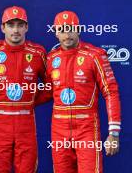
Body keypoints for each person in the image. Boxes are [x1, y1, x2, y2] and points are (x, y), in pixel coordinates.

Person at [46, 11, 121, 173]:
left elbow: (111, 92)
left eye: (71, 29)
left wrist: (113, 133)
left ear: (79, 29)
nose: (67, 34)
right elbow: (46, 92)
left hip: (86, 128)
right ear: (56, 33)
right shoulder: (51, 58)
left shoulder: (94, 55)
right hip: (59, 129)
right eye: (63, 29)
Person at [0, 6, 48, 173]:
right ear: (3, 27)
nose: (15, 30)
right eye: (11, 25)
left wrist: (32, 100)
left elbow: (51, 84)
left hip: (26, 124)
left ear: (26, 27)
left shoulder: (38, 53)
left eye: (20, 25)